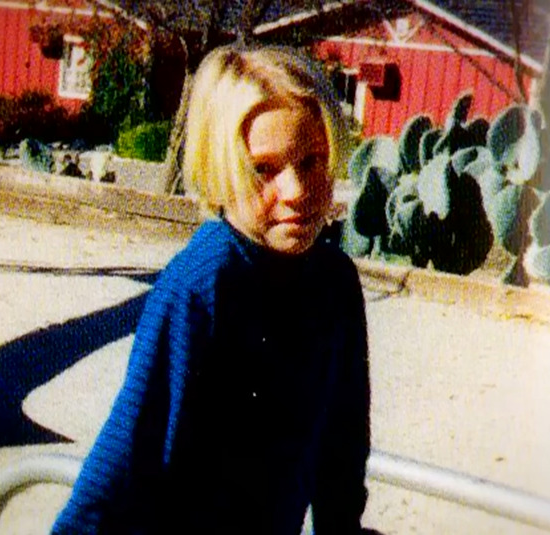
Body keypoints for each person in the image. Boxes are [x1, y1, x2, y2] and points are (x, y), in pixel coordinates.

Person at [52, 45, 371, 535]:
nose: (297, 190)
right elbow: (123, 461)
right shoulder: (203, 284)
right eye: (265, 169)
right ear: (224, 170)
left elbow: (343, 444)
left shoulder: (335, 284)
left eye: (313, 161)